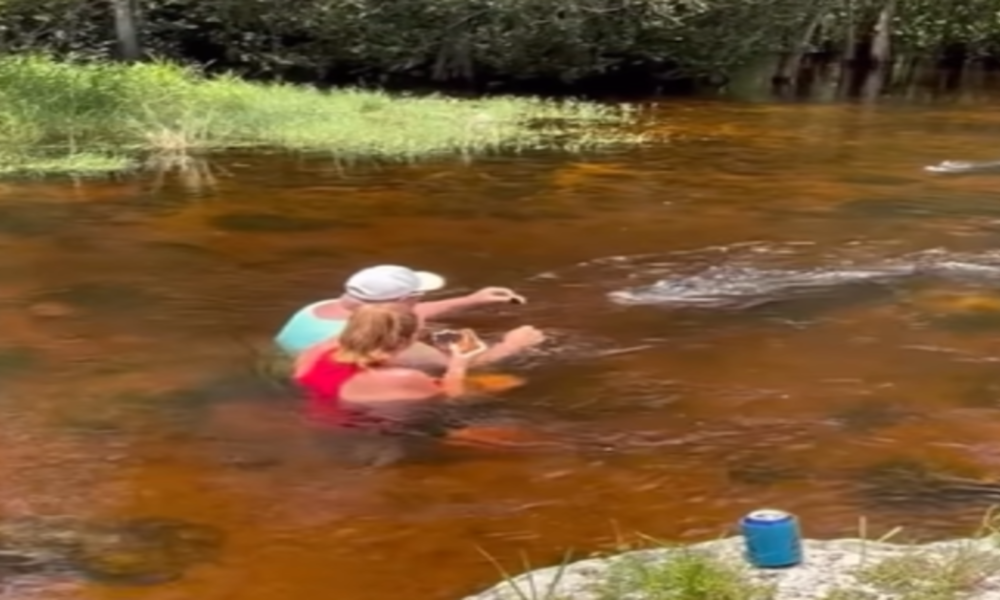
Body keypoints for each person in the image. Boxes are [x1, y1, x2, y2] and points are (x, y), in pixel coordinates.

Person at [294, 303, 544, 451]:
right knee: (528, 440)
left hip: (321, 416)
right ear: (404, 341)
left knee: (506, 382)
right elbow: (454, 396)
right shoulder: (404, 378)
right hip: (375, 430)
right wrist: (459, 361)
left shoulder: (318, 349)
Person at [275, 264, 543, 368]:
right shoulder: (385, 339)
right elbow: (467, 365)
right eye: (418, 295)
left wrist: (471, 300)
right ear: (404, 301)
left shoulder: (319, 307)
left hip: (294, 373)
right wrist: (514, 344)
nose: (421, 301)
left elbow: (410, 312)